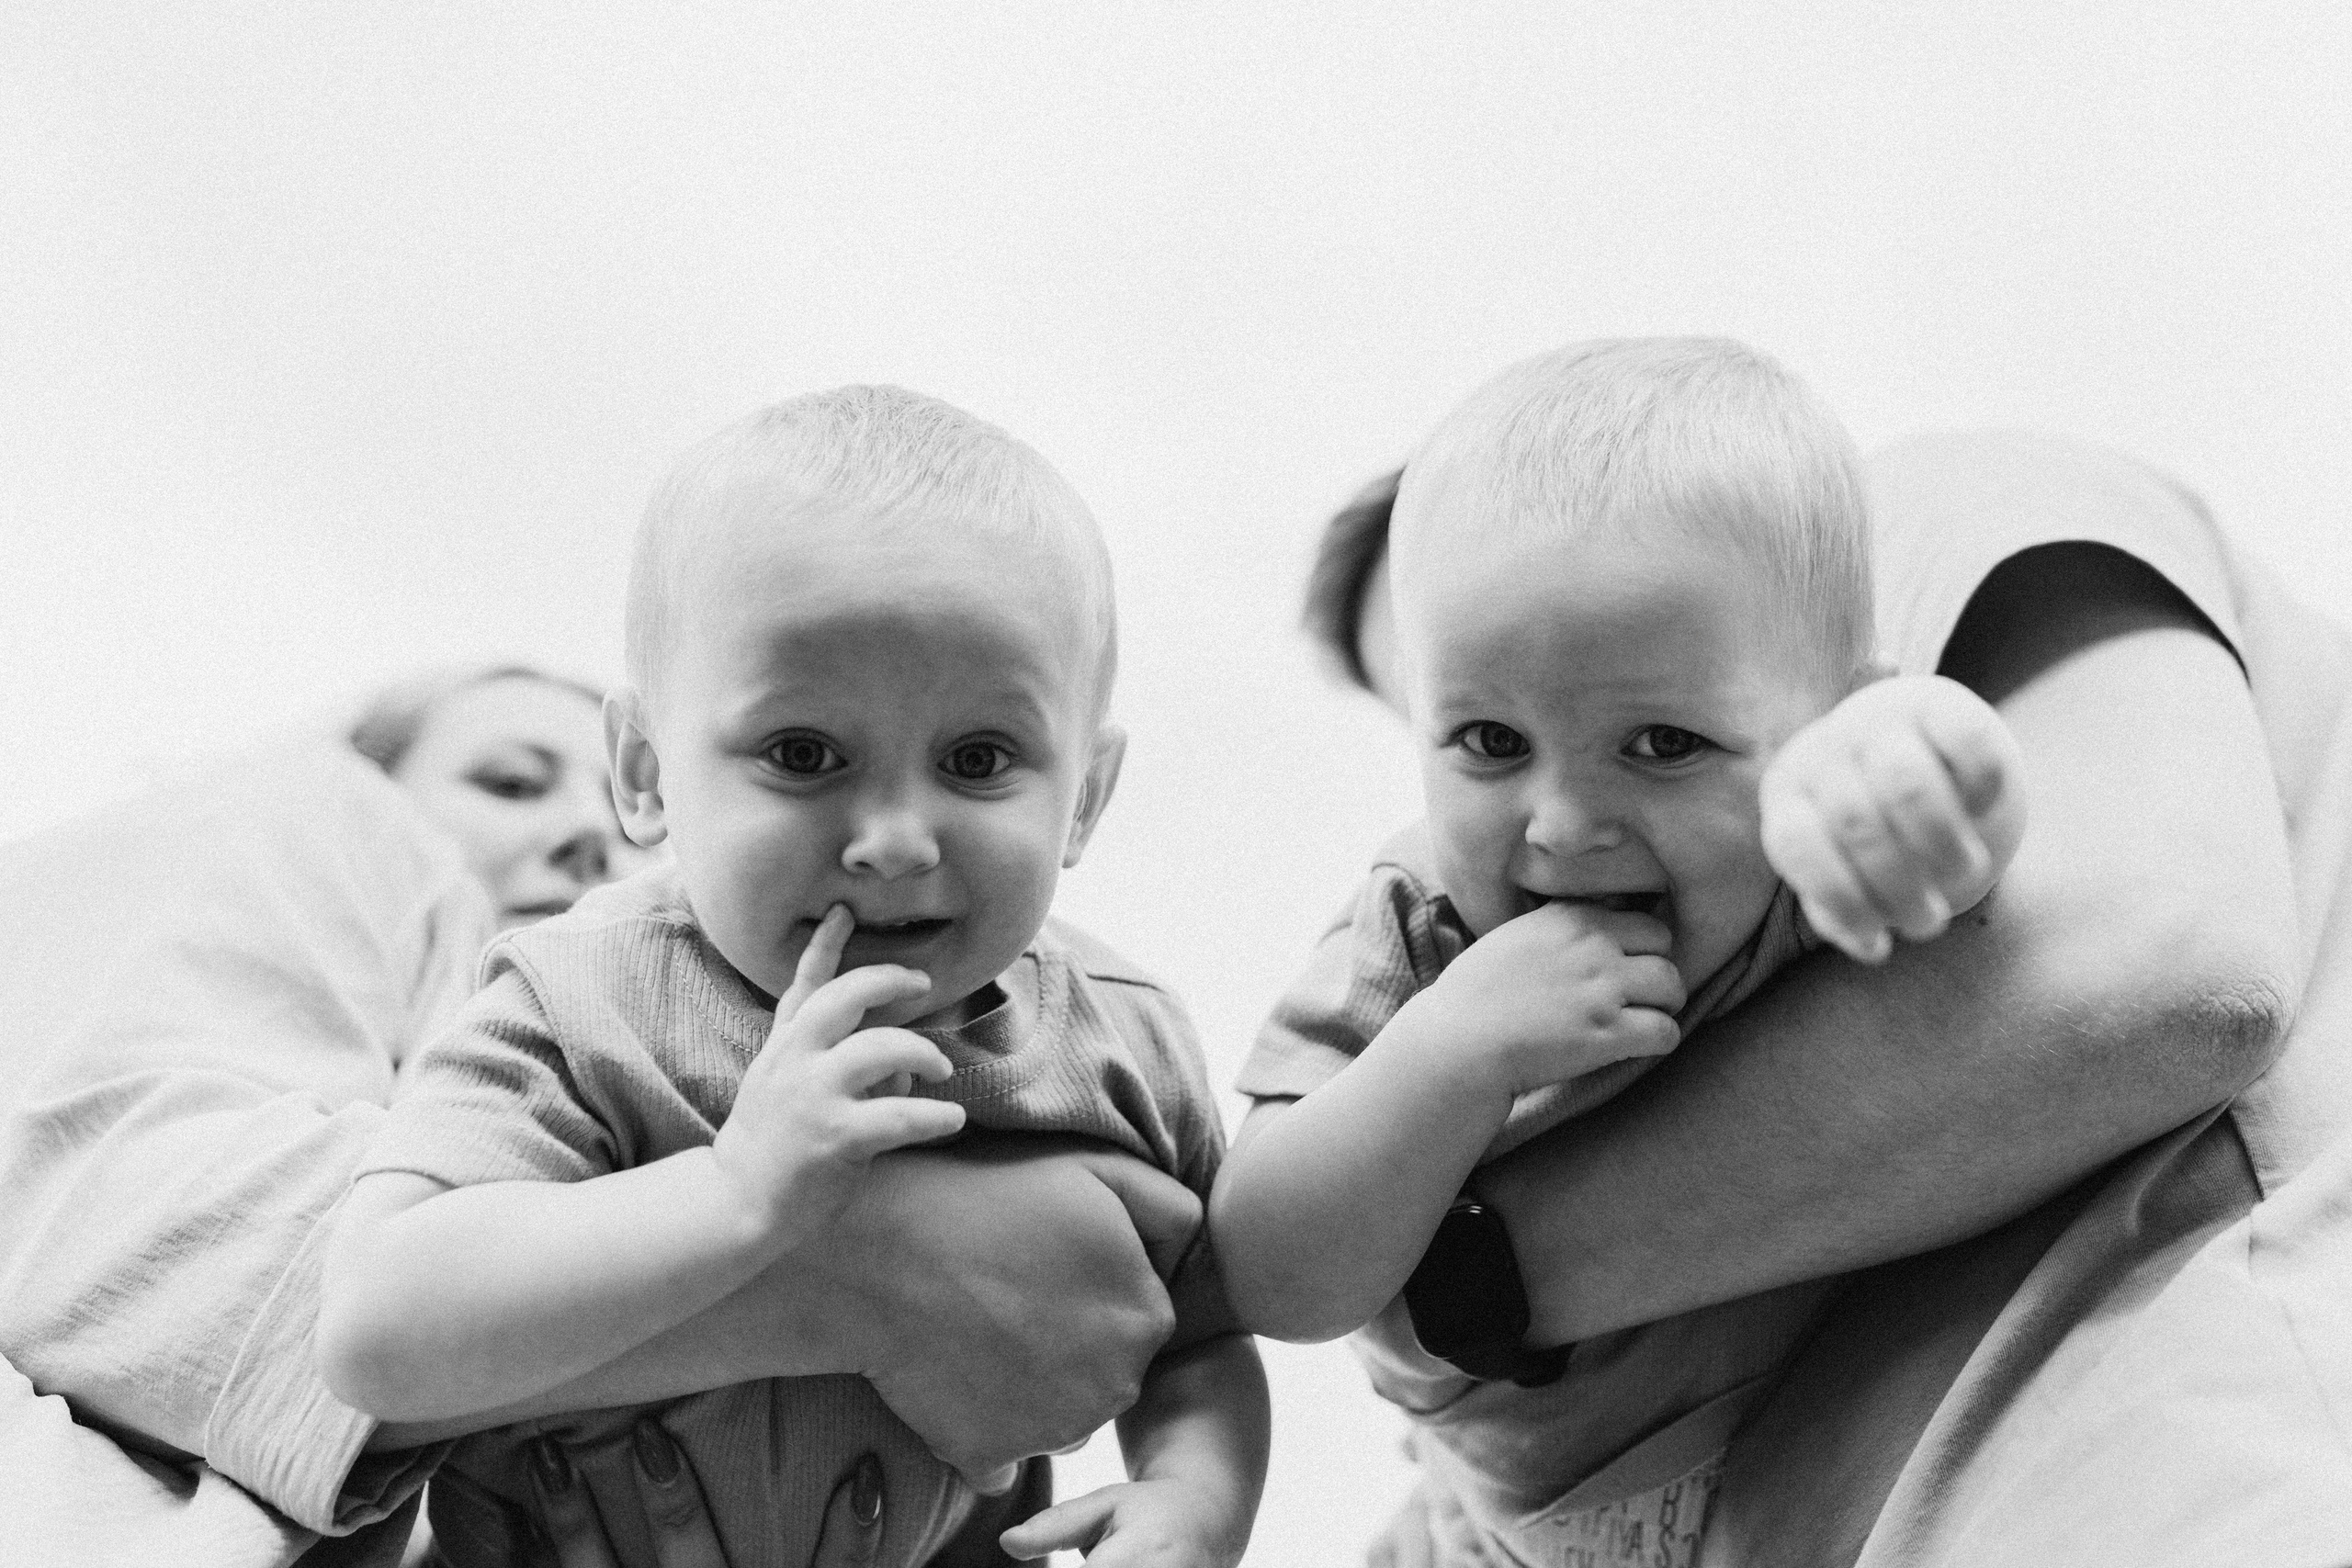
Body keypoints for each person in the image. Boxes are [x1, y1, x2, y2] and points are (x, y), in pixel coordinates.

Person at [1297, 425, 2352, 1564]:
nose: (1556, 822)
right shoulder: (1501, 967)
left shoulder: (1949, 493)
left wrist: (1442, 1285)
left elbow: (2168, 958)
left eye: (1633, 713)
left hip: (2197, 1479)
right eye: (1480, 735)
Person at [318, 387, 1270, 1568]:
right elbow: (377, 1327)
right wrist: (732, 1194)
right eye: (802, 755)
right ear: (647, 774)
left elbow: (1193, 1338)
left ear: (1083, 797)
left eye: (978, 760)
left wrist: (1195, 1497)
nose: (893, 840)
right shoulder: (578, 1003)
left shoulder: (1119, 1042)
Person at [0, 655, 1203, 1567]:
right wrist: (871, 1264)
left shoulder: (688, 1044)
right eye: (508, 779)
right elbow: (114, 1199)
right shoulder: (324, 812)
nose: (590, 830)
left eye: (643, 825)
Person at [1213, 340, 2028, 1563]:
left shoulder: (1805, 862)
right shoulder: (1418, 931)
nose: (1561, 822)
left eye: (1660, 741)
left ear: (1830, 720)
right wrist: (1451, 1050)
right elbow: (1269, 1273)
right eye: (1488, 737)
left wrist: (1929, 749)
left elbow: (1972, 853)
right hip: (1499, 1536)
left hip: (1832, 1479)